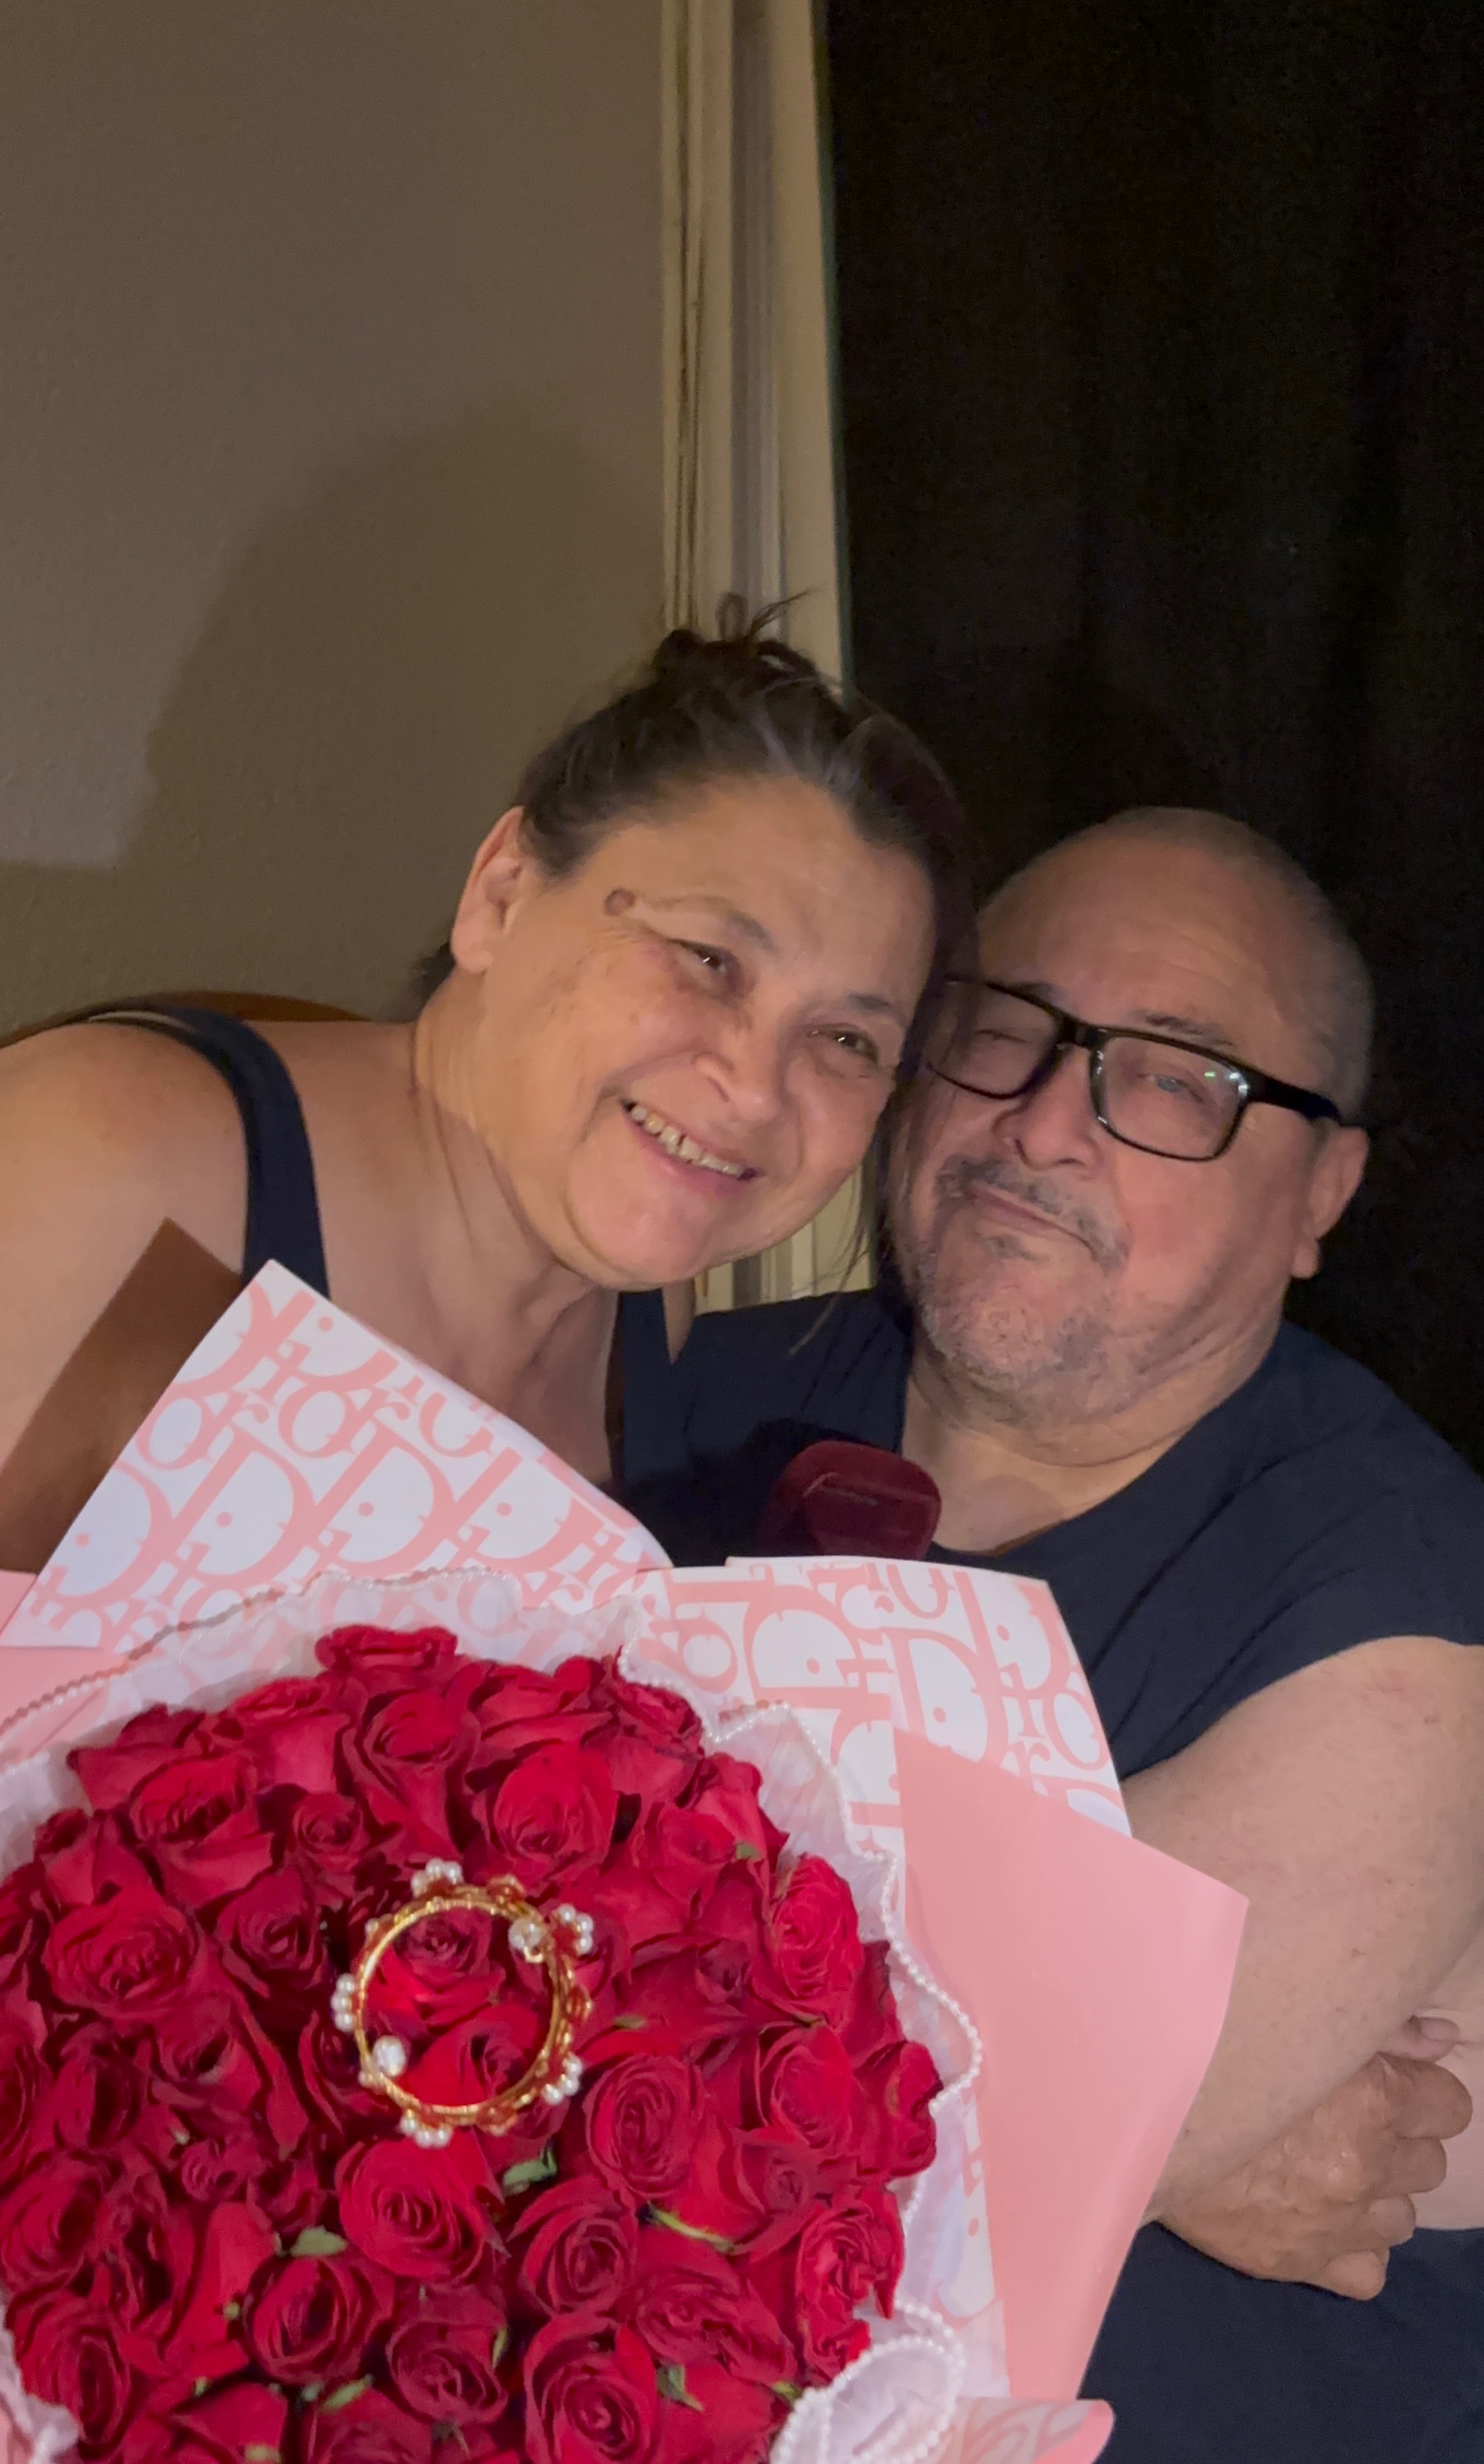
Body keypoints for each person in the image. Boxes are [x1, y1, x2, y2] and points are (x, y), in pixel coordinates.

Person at [628, 805, 1484, 2462]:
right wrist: (1153, 2150)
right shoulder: (692, 1397)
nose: (1040, 1122)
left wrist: (1085, 2139)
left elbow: (880, 2195)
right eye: (1003, 1024)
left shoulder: (1402, 1619)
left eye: (1174, 1078)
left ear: (1323, 1189)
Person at [0, 627, 972, 1573]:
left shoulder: (644, 1307)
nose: (755, 1091)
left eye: (846, 1040)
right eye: (708, 958)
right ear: (501, 896)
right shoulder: (107, 1171)